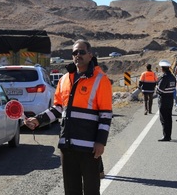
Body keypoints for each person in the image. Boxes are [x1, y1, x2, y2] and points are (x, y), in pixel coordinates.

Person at [24, 39, 113, 195]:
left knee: (91, 190)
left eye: (81, 52)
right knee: (71, 190)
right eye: (74, 52)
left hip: (89, 147)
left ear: (90, 55)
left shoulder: (101, 79)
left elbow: (105, 114)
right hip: (67, 146)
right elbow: (58, 108)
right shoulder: (65, 79)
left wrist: (100, 141)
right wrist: (39, 120)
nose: (77, 55)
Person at [156, 59, 176, 142]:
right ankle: (169, 135)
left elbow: (160, 89)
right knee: (169, 118)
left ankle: (166, 136)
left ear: (163, 69)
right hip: (170, 99)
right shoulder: (172, 77)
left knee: (164, 118)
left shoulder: (164, 77)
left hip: (163, 99)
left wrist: (156, 87)